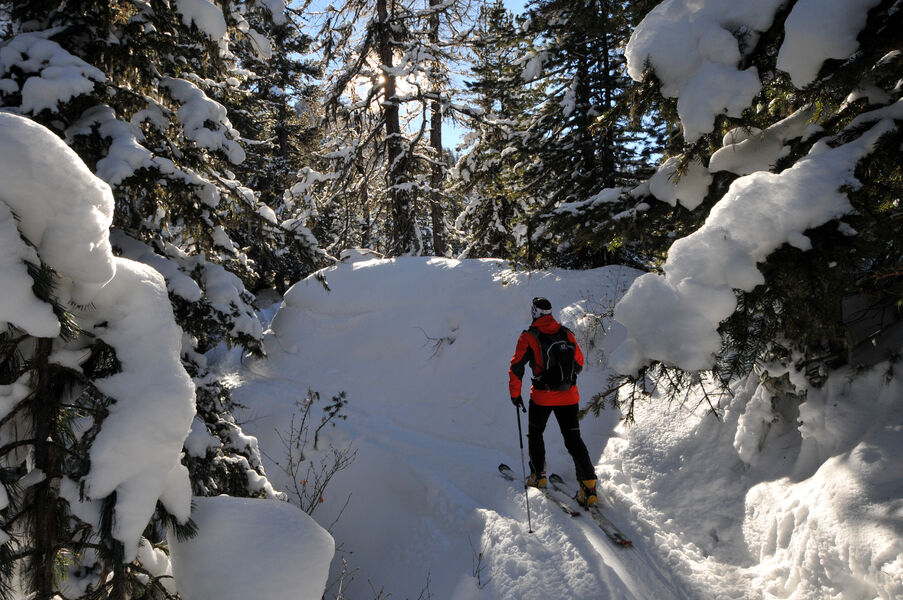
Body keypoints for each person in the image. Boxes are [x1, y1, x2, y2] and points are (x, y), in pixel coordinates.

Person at [508, 297, 597, 507]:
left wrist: (515, 394)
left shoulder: (528, 337)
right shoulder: (566, 333)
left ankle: (538, 476)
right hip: (569, 396)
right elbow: (580, 364)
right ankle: (589, 488)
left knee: (536, 433)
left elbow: (516, 368)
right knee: (574, 439)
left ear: (534, 312)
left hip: (542, 397)